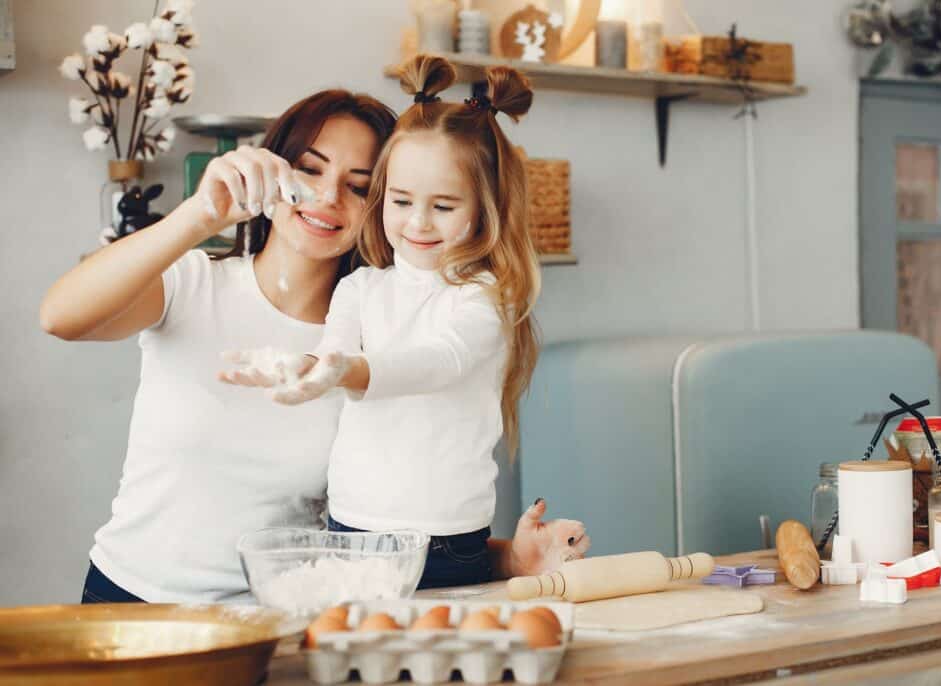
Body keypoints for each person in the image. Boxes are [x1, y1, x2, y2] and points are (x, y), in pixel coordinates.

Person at [40, 86, 588, 604]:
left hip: (272, 621)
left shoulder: (384, 334)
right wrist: (198, 215)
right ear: (276, 168)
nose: (327, 197)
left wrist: (507, 559)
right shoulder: (195, 284)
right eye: (309, 170)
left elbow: (385, 534)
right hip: (133, 604)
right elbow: (61, 317)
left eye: (358, 185)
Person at [221, 55, 590, 589]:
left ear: (486, 209)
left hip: (445, 541)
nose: (417, 222)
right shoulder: (360, 287)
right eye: (400, 200)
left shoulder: (485, 299)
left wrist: (346, 370)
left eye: (443, 205)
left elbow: (437, 364)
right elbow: (333, 354)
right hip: (349, 529)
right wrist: (293, 369)